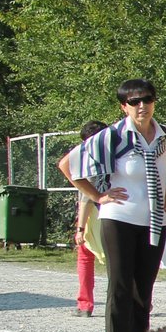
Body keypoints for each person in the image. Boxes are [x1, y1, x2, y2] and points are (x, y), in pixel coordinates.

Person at [64, 80, 166, 332]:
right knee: (120, 289)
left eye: (147, 99)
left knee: (143, 292)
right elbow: (67, 165)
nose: (142, 106)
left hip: (155, 220)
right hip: (119, 218)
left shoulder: (163, 134)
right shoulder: (113, 136)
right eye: (135, 102)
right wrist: (98, 196)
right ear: (124, 107)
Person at [59, 119, 108, 318]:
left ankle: (85, 304)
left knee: (85, 257)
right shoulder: (116, 151)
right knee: (123, 259)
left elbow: (87, 197)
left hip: (95, 210)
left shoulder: (88, 157)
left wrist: (79, 229)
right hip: (118, 208)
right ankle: (137, 302)